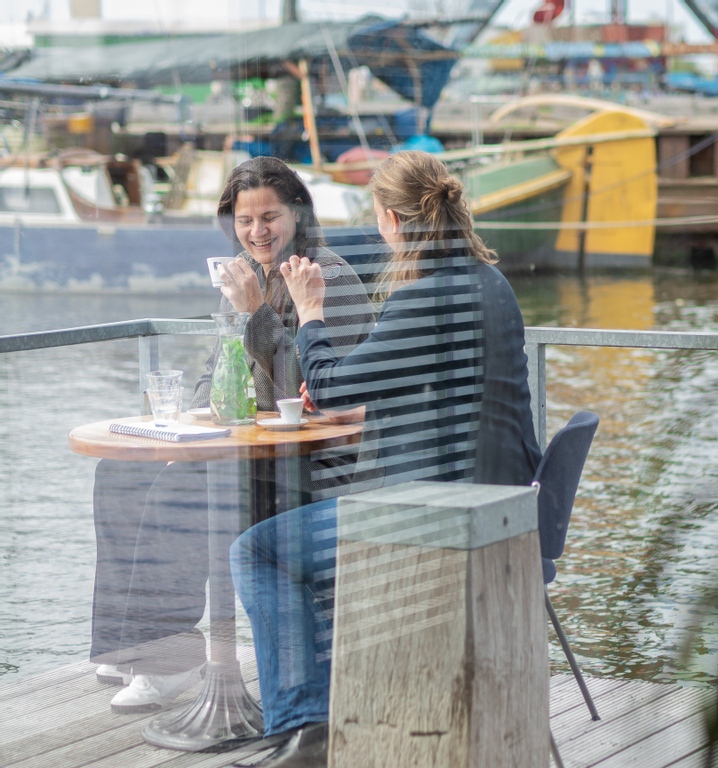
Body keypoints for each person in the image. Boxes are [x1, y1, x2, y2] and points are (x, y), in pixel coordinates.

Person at [229, 151, 542, 767]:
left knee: (258, 550)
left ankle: (304, 732)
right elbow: (453, 388)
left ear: (395, 223)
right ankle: (328, 712)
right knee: (306, 531)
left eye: (378, 217)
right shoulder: (490, 284)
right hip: (503, 511)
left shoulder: (424, 295)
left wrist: (310, 311)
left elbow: (329, 384)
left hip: (437, 525)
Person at [90, 156, 375, 714]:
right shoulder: (244, 273)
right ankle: (142, 643)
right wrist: (187, 426)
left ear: (296, 214)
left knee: (180, 496)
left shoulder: (327, 279)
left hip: (313, 468)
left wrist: (254, 316)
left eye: (269, 217)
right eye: (245, 221)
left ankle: (168, 663)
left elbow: (306, 393)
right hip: (246, 454)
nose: (257, 232)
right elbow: (216, 371)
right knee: (120, 473)